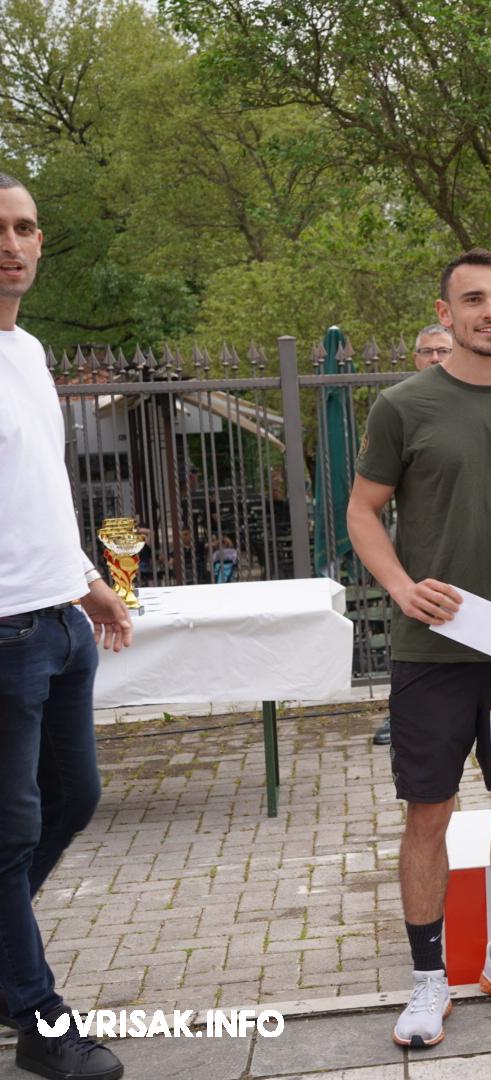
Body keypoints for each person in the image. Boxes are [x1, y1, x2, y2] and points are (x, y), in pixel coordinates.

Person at [349, 248, 491, 1048]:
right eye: (474, 299)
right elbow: (362, 511)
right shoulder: (403, 406)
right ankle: (427, 980)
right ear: (445, 314)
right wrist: (400, 585)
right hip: (430, 649)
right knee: (429, 812)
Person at [0, 172, 132, 1080]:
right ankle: (40, 1020)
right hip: (1, 635)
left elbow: (41, 486)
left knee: (74, 800)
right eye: (0, 228)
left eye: (27, 227)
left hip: (61, 625)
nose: (14, 244)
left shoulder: (29, 350)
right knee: (7, 836)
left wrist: (90, 580)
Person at [372, 323, 457, 749]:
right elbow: (365, 502)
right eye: (429, 352)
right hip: (419, 554)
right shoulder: (398, 408)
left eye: (445, 350)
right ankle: (398, 714)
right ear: (415, 359)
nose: (437, 359)